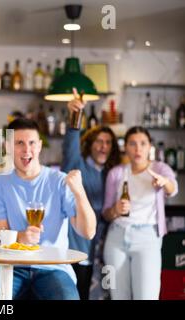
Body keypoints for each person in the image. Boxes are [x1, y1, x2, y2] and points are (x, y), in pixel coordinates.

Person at [0, 118, 97, 300]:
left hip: (53, 267)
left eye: (32, 143)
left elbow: (88, 232)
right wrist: (21, 237)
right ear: (8, 147)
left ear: (40, 146)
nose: (27, 150)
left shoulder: (59, 180)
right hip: (11, 265)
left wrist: (80, 192)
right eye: (19, 143)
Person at [102, 126, 178, 300]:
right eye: (132, 144)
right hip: (115, 240)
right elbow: (105, 213)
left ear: (149, 146)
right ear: (125, 147)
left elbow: (173, 189)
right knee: (117, 296)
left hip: (147, 239)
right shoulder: (116, 173)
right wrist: (115, 210)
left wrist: (164, 182)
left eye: (143, 143)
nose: (138, 149)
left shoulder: (160, 169)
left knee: (147, 296)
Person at [62, 93, 121, 300]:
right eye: (98, 141)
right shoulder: (76, 165)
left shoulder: (113, 174)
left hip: (104, 249)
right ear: (89, 143)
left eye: (108, 142)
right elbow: (70, 142)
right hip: (76, 247)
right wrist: (75, 116)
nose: (103, 146)